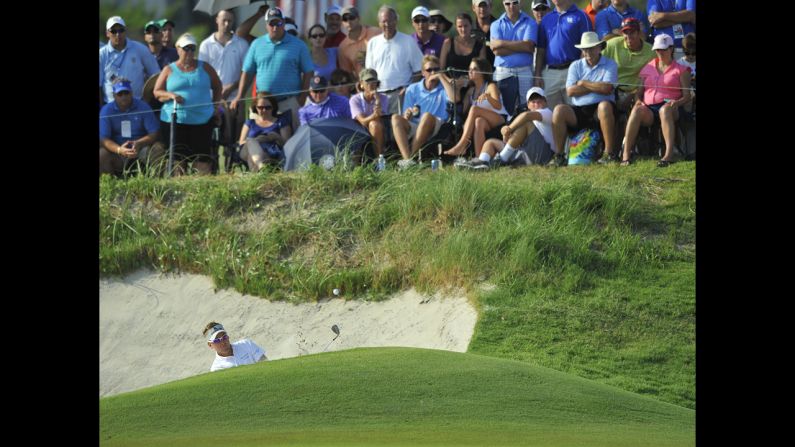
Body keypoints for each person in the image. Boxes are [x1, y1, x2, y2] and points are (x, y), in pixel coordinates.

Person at [231, 7, 314, 134]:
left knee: (291, 144)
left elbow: (309, 72)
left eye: (278, 23)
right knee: (258, 142)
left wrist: (302, 97)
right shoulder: (256, 44)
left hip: (289, 102)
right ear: (266, 25)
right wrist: (239, 96)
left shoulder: (298, 45)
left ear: (283, 23)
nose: (275, 27)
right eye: (272, 23)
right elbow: (247, 72)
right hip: (262, 105)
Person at [153, 33, 223, 175]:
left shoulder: (205, 68)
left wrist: (215, 107)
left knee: (202, 160)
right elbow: (157, 91)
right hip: (175, 121)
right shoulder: (169, 69)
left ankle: (202, 193)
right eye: (186, 48)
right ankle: (180, 193)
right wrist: (170, 95)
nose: (190, 52)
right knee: (178, 161)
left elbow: (217, 86)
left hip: (202, 121)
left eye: (192, 48)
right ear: (178, 49)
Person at [619, 33, 691, 167]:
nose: (660, 52)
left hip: (672, 107)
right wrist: (638, 100)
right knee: (636, 110)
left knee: (665, 110)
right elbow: (639, 92)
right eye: (657, 49)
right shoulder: (648, 67)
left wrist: (677, 103)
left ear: (671, 49)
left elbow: (687, 96)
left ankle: (668, 155)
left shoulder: (681, 70)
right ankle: (626, 155)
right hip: (650, 109)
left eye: (663, 49)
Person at [549, 31, 618, 166]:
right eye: (585, 49)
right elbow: (570, 91)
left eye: (591, 48)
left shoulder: (610, 64)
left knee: (604, 106)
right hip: (580, 109)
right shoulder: (576, 65)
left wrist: (583, 83)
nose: (588, 51)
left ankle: (609, 153)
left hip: (601, 109)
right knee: (558, 110)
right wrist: (596, 85)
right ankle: (559, 155)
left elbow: (607, 89)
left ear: (599, 48)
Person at [460, 86, 555, 169]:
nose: (536, 104)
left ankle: (500, 160)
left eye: (540, 101)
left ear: (545, 102)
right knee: (490, 143)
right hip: (526, 153)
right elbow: (510, 128)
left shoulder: (547, 112)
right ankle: (481, 162)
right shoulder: (525, 117)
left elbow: (526, 116)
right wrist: (505, 131)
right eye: (533, 101)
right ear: (528, 105)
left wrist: (509, 129)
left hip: (543, 155)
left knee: (526, 124)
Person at [199, 9, 251, 152]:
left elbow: (247, 72)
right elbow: (203, 73)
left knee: (233, 140)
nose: (227, 24)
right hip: (211, 100)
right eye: (224, 20)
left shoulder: (241, 44)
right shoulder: (206, 45)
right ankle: (212, 169)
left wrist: (232, 86)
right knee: (211, 139)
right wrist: (217, 89)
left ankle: (230, 170)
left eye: (230, 21)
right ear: (217, 20)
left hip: (235, 99)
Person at [534, 0, 593, 110]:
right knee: (548, 113)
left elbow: (587, 48)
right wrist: (537, 74)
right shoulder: (546, 19)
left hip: (572, 71)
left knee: (576, 112)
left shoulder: (581, 15)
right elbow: (541, 50)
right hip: (550, 73)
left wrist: (580, 72)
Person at [391, 55, 450, 166]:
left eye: (436, 70)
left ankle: (411, 157)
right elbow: (406, 115)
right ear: (423, 72)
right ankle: (408, 160)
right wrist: (407, 115)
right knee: (395, 118)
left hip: (437, 124)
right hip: (416, 124)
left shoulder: (444, 87)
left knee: (427, 116)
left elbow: (455, 99)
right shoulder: (412, 88)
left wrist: (442, 77)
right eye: (429, 70)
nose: (433, 73)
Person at [99, 78, 165, 176]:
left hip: (141, 147)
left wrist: (139, 143)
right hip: (117, 150)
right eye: (120, 94)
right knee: (101, 154)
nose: (124, 96)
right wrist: (119, 149)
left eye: (126, 93)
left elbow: (154, 133)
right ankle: (112, 185)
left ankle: (158, 182)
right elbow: (103, 139)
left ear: (132, 93)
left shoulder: (143, 106)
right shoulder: (106, 110)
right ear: (114, 95)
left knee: (158, 148)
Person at [444, 57, 508, 157]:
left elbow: (499, 106)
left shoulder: (490, 86)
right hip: (485, 122)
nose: (470, 71)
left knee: (474, 109)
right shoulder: (471, 91)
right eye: (469, 68)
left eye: (474, 69)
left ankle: (462, 145)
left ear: (482, 72)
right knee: (479, 121)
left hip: (499, 119)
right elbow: (462, 111)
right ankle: (480, 159)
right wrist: (458, 88)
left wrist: (487, 97)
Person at [365, 6, 423, 115]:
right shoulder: (373, 43)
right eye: (384, 21)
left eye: (390, 20)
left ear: (396, 21)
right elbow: (370, 73)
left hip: (401, 96)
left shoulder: (408, 41)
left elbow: (419, 70)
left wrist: (409, 89)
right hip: (379, 96)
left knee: (399, 128)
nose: (387, 24)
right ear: (379, 23)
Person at [490, 0, 538, 116]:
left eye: (514, 2)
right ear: (503, 4)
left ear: (520, 3)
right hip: (503, 72)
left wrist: (501, 42)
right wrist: (521, 45)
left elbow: (529, 46)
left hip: (524, 71)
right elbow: (497, 51)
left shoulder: (530, 22)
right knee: (504, 111)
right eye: (507, 3)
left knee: (528, 108)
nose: (511, 6)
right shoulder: (496, 24)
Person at [100, 16, 161, 104]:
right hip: (111, 106)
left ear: (126, 31)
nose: (118, 34)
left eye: (121, 30)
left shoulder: (141, 49)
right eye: (113, 31)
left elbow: (156, 75)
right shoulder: (101, 54)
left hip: (137, 104)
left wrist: (147, 99)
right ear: (107, 33)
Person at [602, 18, 654, 115]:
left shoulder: (651, 51)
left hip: (638, 93)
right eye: (625, 32)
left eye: (632, 32)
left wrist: (635, 94)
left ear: (639, 33)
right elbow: (597, 61)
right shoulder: (613, 44)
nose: (628, 36)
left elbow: (652, 79)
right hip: (612, 91)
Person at [237, 92, 292, 172]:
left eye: (268, 107)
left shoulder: (280, 122)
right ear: (255, 107)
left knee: (251, 157)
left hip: (271, 152)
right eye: (260, 107)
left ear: (273, 107)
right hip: (246, 149)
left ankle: (258, 176)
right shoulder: (249, 123)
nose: (264, 110)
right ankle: (261, 166)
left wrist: (276, 137)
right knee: (250, 141)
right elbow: (241, 142)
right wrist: (258, 140)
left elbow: (288, 145)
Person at [440, 12, 486, 101]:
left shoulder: (479, 45)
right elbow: (441, 70)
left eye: (466, 26)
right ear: (456, 28)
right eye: (460, 26)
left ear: (471, 26)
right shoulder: (448, 43)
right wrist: (450, 81)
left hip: (472, 85)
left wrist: (468, 81)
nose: (463, 29)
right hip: (451, 86)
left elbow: (482, 70)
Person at [349, 68, 389, 157]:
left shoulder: (383, 98)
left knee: (375, 125)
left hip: (379, 129)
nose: (371, 84)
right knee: (374, 124)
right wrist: (374, 115)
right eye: (368, 81)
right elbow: (362, 121)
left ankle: (380, 159)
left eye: (374, 81)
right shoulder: (355, 99)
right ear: (361, 84)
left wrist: (377, 100)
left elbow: (380, 118)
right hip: (360, 130)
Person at [337, 6, 381, 81]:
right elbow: (348, 73)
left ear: (359, 18)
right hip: (363, 85)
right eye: (345, 19)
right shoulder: (343, 47)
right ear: (342, 23)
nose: (349, 22)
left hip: (383, 79)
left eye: (351, 17)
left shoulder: (375, 33)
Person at [471, 0, 497, 66]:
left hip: (498, 72)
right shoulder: (468, 28)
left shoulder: (500, 26)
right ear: (473, 8)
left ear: (490, 6)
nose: (482, 9)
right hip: (475, 73)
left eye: (485, 6)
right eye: (479, 6)